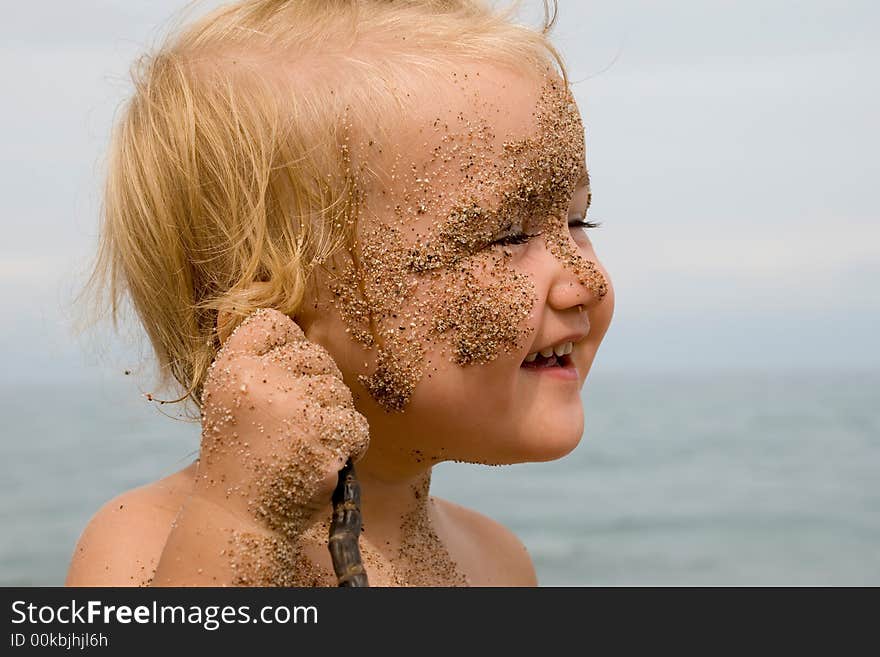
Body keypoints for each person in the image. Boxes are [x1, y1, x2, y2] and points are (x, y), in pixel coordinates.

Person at [65, 0, 615, 587]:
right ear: (267, 309)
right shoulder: (150, 546)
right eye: (506, 235)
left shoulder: (496, 562)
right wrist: (239, 524)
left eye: (579, 222)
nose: (586, 280)